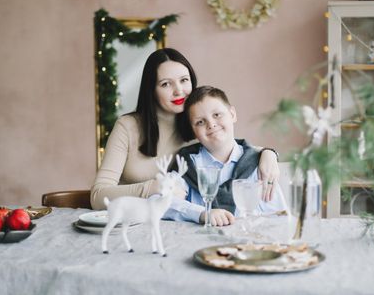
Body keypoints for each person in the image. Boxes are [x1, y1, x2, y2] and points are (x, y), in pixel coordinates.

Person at [90, 48, 279, 210]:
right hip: (128, 221)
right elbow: (97, 196)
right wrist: (151, 188)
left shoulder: (198, 124)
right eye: (166, 84)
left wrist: (268, 153)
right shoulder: (128, 127)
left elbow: (230, 146)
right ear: (151, 90)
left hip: (173, 225)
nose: (179, 90)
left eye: (184, 80)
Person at [164, 86, 287, 226]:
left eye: (217, 115)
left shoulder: (259, 164)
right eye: (200, 122)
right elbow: (162, 202)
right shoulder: (187, 163)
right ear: (193, 131)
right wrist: (202, 213)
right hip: (199, 243)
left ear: (232, 114)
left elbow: (279, 217)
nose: (211, 124)